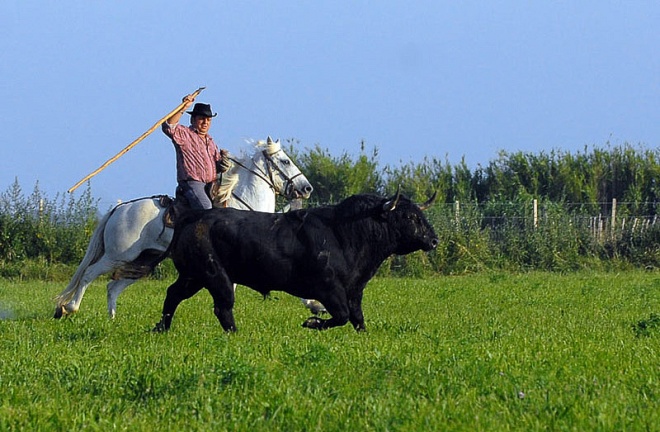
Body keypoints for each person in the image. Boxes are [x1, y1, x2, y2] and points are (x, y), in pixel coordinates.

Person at [162, 94, 232, 209]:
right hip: (192, 183)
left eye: (208, 119)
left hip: (211, 186)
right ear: (192, 119)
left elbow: (217, 166)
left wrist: (223, 164)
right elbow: (169, 126)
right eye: (202, 119)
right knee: (206, 208)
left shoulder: (210, 141)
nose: (205, 122)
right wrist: (183, 107)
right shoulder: (185, 134)